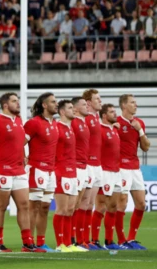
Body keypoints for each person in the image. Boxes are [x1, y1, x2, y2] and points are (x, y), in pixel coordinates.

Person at [0, 93, 43, 253]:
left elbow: (19, 143)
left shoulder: (19, 121)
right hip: (3, 170)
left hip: (19, 169)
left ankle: (27, 243)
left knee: (24, 205)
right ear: (5, 105)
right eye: (14, 101)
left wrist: (23, 156)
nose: (18, 103)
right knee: (2, 206)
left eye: (18, 101)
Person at [25, 92, 59, 252]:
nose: (56, 104)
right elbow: (20, 142)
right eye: (53, 102)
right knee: (34, 206)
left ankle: (41, 242)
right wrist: (22, 158)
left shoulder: (54, 124)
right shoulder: (34, 123)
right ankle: (29, 243)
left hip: (51, 171)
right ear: (44, 105)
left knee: (45, 207)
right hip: (37, 168)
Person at [53, 100, 87, 252]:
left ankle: (68, 243)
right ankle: (60, 244)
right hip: (61, 172)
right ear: (61, 112)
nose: (74, 110)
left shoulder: (70, 128)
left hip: (73, 172)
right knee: (61, 209)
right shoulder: (56, 128)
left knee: (70, 209)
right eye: (70, 108)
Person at [117, 94, 150, 250]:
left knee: (141, 204)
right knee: (121, 204)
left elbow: (146, 147)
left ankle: (131, 238)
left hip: (135, 168)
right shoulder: (116, 122)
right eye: (132, 103)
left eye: (136, 103)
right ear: (124, 105)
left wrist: (140, 131)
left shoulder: (139, 123)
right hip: (120, 168)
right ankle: (121, 240)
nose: (136, 105)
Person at [96, 104, 125, 250]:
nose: (116, 114)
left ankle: (109, 241)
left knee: (113, 206)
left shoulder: (114, 129)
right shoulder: (99, 129)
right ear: (104, 115)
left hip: (116, 171)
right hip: (104, 171)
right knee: (101, 206)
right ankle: (94, 241)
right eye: (112, 112)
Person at [79, 89, 105, 250]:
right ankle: (80, 239)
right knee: (84, 203)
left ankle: (87, 239)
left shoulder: (96, 118)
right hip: (87, 164)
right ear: (89, 103)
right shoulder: (85, 119)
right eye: (97, 99)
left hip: (97, 166)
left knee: (90, 205)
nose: (100, 101)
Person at [70, 96, 92, 248]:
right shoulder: (74, 123)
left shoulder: (84, 124)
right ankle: (70, 238)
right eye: (84, 105)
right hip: (75, 166)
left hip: (84, 166)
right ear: (76, 109)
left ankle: (78, 239)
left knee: (79, 204)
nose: (87, 106)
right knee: (72, 205)